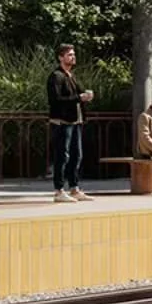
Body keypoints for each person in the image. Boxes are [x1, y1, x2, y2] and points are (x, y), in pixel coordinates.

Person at [47, 43, 93, 203]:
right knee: (62, 155)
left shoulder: (71, 75)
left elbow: (77, 94)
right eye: (69, 55)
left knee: (76, 155)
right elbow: (55, 100)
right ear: (61, 57)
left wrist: (86, 96)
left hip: (75, 121)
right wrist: (79, 98)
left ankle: (74, 188)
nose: (73, 57)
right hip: (62, 122)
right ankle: (59, 190)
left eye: (73, 54)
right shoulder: (56, 76)